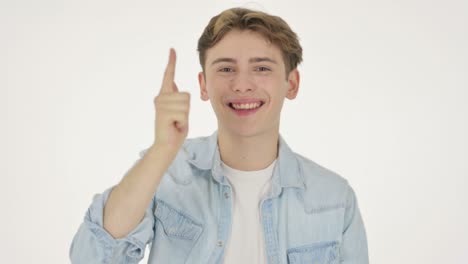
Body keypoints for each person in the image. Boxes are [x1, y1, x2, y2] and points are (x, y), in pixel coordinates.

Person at [70, 7, 369, 264]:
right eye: (226, 68)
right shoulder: (166, 172)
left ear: (291, 84)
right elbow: (93, 256)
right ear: (203, 85)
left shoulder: (335, 198)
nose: (242, 85)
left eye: (261, 68)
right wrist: (161, 150)